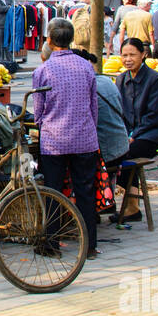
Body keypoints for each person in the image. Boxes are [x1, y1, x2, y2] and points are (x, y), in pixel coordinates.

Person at [31, 18, 101, 253]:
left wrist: (42, 125)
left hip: (54, 141)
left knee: (53, 192)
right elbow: (94, 107)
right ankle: (89, 246)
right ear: (70, 39)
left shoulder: (43, 70)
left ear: (49, 41)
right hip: (85, 139)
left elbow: (38, 111)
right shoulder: (86, 67)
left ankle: (51, 245)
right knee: (85, 192)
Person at [113, 38, 158, 221]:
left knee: (126, 154)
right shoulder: (121, 79)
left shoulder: (154, 79)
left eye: (132, 55)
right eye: (124, 55)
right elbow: (119, 113)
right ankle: (130, 206)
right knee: (114, 153)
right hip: (130, 136)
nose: (128, 59)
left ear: (143, 55)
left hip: (152, 134)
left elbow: (154, 115)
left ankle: (132, 207)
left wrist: (133, 136)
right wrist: (123, 135)